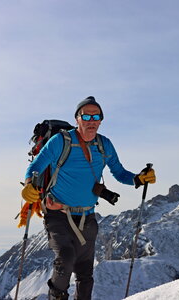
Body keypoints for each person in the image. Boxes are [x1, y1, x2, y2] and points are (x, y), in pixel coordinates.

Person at [21, 96, 156, 300]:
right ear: (77, 119)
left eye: (96, 116)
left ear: (101, 120)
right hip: (58, 214)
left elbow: (119, 173)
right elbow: (36, 166)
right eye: (86, 115)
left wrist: (138, 179)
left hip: (88, 216)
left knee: (85, 273)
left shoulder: (104, 145)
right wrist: (29, 184)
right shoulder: (61, 142)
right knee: (64, 259)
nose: (92, 120)